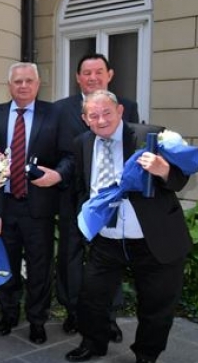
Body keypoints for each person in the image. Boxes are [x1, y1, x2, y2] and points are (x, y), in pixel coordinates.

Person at [64, 90, 191, 363]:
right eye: (93, 115)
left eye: (106, 112)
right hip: (107, 238)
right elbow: (82, 186)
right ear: (85, 119)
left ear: (120, 111)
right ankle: (93, 344)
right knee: (92, 296)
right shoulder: (82, 143)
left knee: (156, 304)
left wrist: (164, 170)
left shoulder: (151, 136)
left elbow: (181, 179)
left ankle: (146, 355)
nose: (100, 120)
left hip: (153, 237)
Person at [0, 62, 72, 345]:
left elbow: (69, 156)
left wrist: (57, 175)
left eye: (28, 81)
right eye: (17, 81)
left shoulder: (55, 114)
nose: (23, 86)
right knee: (5, 263)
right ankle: (9, 314)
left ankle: (37, 319)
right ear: (10, 85)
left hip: (39, 206)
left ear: (37, 83)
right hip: (3, 205)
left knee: (39, 266)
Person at [54, 53, 139, 340]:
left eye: (98, 72)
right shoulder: (60, 109)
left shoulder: (127, 106)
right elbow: (62, 154)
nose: (92, 77)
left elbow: (131, 151)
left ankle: (109, 317)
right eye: (86, 73)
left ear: (109, 74)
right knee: (71, 257)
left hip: (113, 202)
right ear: (78, 77)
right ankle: (73, 311)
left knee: (110, 257)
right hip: (73, 197)